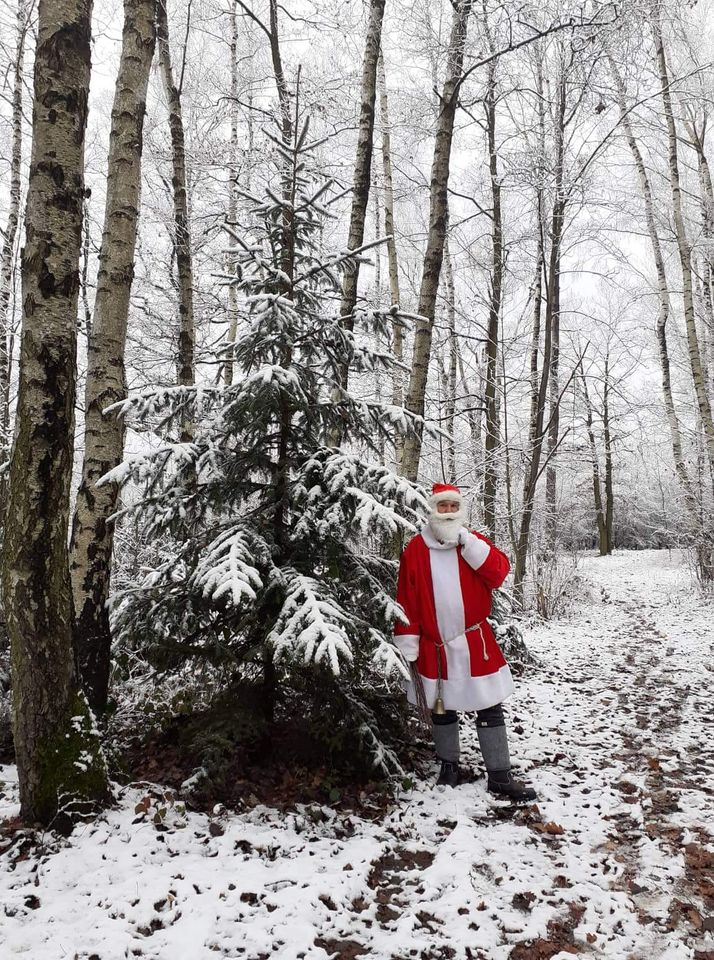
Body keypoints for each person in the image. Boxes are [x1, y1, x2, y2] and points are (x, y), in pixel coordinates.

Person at [393, 482, 536, 801]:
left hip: (475, 642)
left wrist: (470, 546)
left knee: (489, 705)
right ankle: (449, 768)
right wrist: (409, 639)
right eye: (442, 506)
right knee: (442, 708)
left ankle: (499, 774)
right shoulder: (416, 550)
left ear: (460, 511)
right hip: (435, 645)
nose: (447, 512)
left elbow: (499, 574)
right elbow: (407, 598)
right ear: (433, 510)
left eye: (452, 507)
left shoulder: (474, 543)